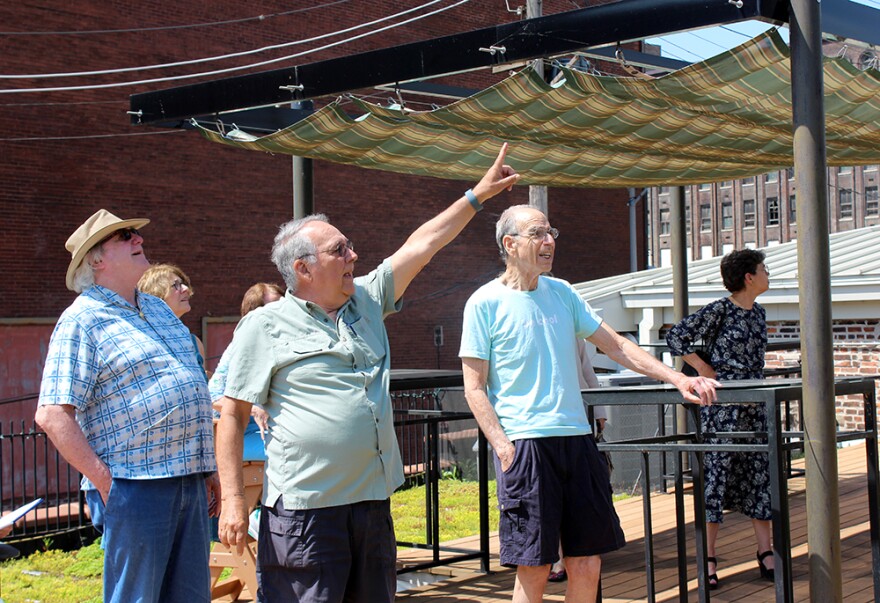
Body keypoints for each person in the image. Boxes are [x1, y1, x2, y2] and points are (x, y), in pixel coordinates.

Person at [215, 144, 520, 602]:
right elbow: (232, 416)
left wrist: (476, 195)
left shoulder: (366, 300)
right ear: (303, 268)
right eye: (340, 250)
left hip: (371, 507)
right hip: (306, 514)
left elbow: (425, 243)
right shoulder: (265, 325)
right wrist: (235, 501)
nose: (354, 256)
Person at [459, 204, 719, 603]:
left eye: (551, 233)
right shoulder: (484, 303)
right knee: (536, 566)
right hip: (525, 445)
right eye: (537, 234)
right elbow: (474, 387)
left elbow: (615, 345)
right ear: (509, 244)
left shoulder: (563, 293)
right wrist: (503, 447)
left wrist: (678, 377)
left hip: (578, 440)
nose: (549, 242)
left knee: (587, 562)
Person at [36, 209, 219, 603]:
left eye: (135, 234)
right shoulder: (81, 320)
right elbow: (52, 414)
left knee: (191, 597)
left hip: (189, 478)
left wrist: (207, 467)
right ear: (96, 260)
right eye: (125, 236)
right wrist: (106, 482)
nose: (139, 240)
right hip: (135, 486)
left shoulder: (156, 309)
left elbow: (189, 386)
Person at [665, 248, 773, 589]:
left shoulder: (759, 313)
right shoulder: (720, 310)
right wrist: (702, 369)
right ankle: (708, 559)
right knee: (716, 480)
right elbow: (676, 336)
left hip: (753, 406)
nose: (768, 274)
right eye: (763, 269)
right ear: (749, 277)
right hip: (722, 409)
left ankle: (766, 552)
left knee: (759, 478)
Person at [548, 337, 607, 583]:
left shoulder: (571, 320)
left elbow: (586, 368)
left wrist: (600, 412)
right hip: (547, 424)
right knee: (554, 498)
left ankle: (569, 555)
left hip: (581, 417)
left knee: (580, 495)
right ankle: (557, 558)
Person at [209, 282, 285, 461]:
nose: (282, 313)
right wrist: (252, 409)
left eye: (284, 305)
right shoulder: (242, 346)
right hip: (247, 434)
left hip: (277, 430)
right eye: (274, 307)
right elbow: (212, 396)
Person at [138, 263, 208, 376]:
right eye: (176, 285)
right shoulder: (143, 340)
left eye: (183, 284)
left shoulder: (194, 343)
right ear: (156, 294)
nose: (186, 289)